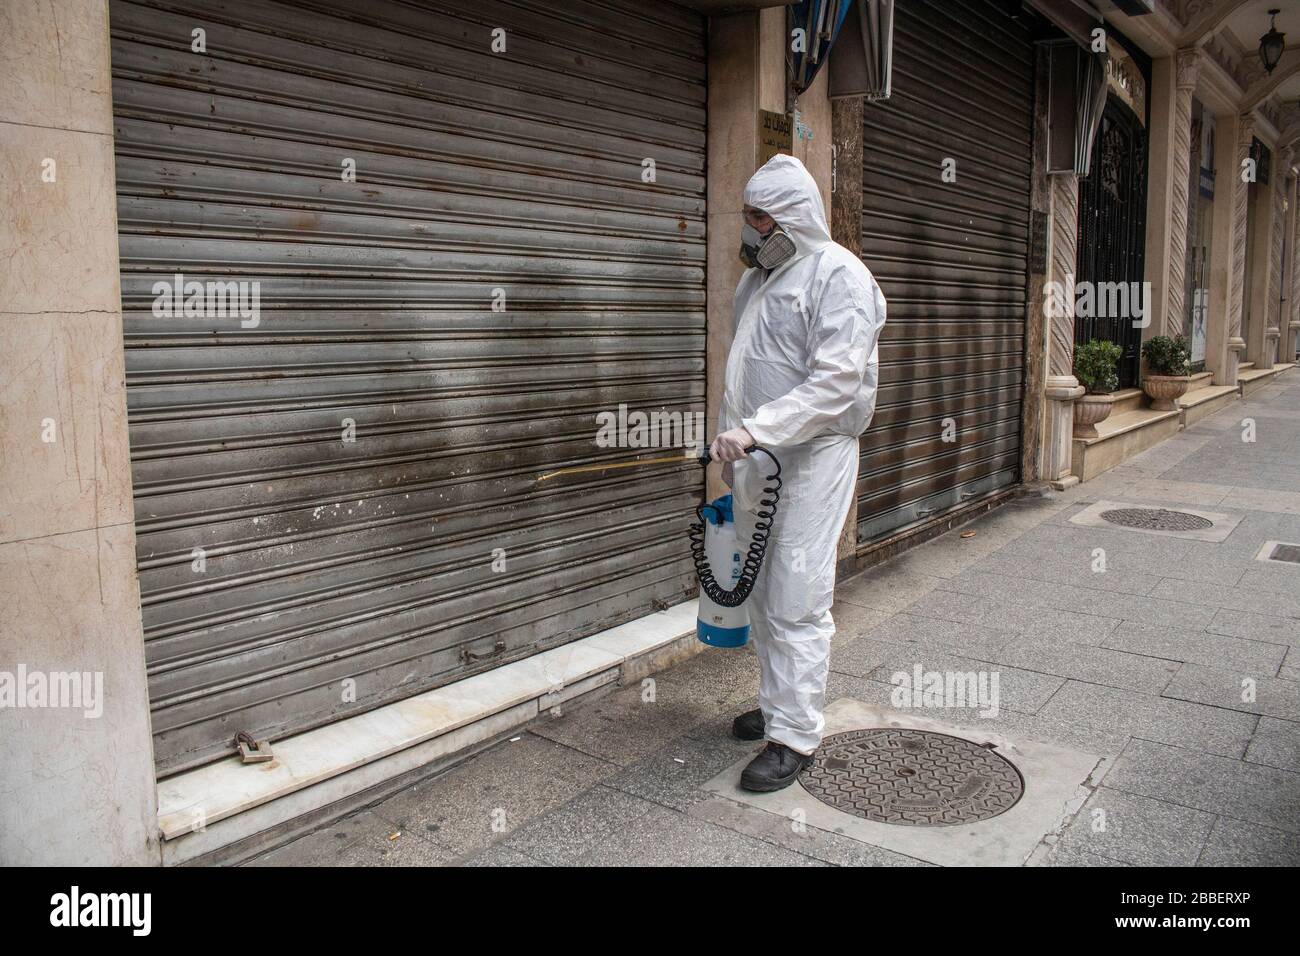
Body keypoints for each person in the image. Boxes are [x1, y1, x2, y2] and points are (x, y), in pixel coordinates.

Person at [709, 154, 886, 793]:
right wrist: (734, 446)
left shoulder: (840, 277)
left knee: (797, 593)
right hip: (757, 459)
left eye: (760, 217)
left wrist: (757, 430)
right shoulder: (756, 281)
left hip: (812, 463)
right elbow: (747, 369)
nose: (751, 229)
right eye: (749, 217)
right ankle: (776, 705)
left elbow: (837, 382)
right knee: (759, 591)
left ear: (791, 216)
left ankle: (796, 736)